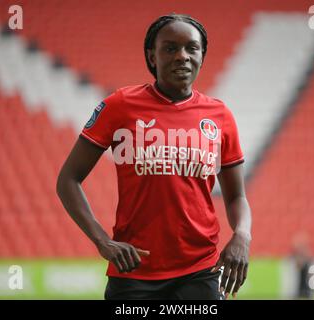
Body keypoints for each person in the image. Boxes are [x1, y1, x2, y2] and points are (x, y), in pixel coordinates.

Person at [56, 13, 252, 300]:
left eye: (191, 48)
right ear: (152, 57)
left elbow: (237, 197)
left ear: (202, 56)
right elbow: (68, 180)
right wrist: (102, 241)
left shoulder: (220, 115)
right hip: (134, 272)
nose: (182, 56)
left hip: (200, 270)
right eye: (170, 48)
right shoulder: (120, 105)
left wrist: (242, 236)